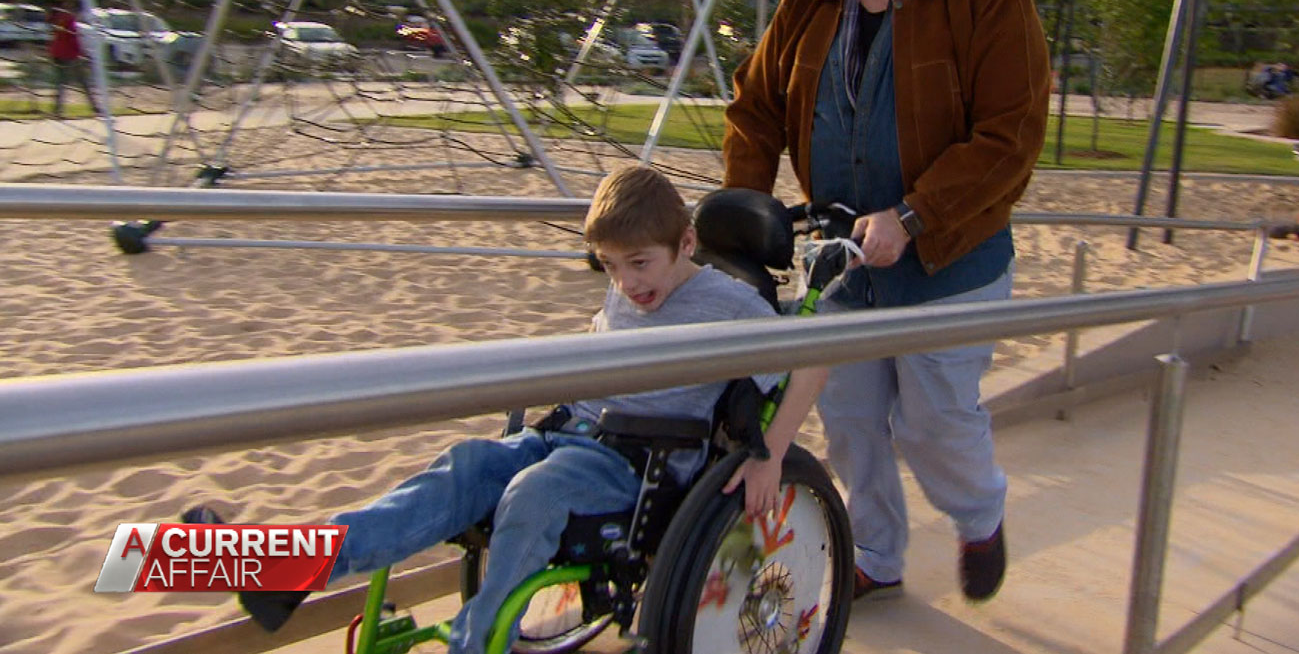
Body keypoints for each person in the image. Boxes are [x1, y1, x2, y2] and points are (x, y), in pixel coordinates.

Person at [183, 165, 828, 654]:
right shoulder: (634, 285)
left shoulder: (730, 304)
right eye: (610, 267)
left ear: (686, 243)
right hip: (570, 434)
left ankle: (476, 641)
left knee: (532, 496)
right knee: (462, 467)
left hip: (642, 467)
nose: (629, 284)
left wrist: (769, 454)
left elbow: (815, 356)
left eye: (639, 264)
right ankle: (283, 571)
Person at [721, 0, 1049, 604]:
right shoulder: (809, 0)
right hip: (842, 267)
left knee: (933, 423)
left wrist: (914, 215)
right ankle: (877, 552)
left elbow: (1010, 137)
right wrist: (743, 217)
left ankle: (979, 515)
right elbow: (754, 110)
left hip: (951, 262)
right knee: (851, 423)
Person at [47, 0, 97, 117]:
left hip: (56, 52)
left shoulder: (57, 18)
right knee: (83, 81)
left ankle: (57, 109)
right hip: (69, 54)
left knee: (61, 82)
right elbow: (73, 38)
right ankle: (94, 107)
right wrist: (82, 53)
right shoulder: (70, 19)